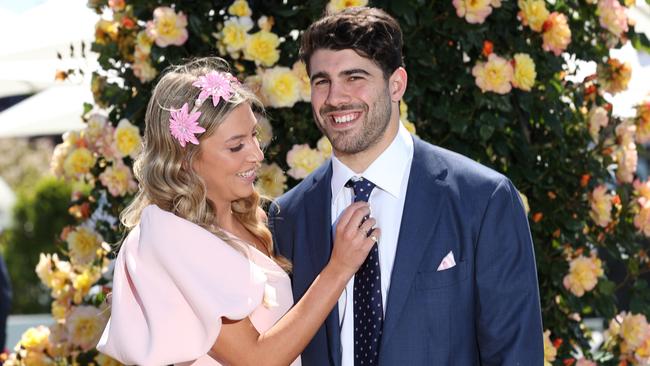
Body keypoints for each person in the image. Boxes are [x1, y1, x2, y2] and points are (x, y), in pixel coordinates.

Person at [268, 7, 545, 365]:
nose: (335, 98)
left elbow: (516, 355)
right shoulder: (287, 217)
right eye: (322, 81)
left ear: (396, 84)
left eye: (355, 77)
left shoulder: (482, 200)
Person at [97, 57, 381, 366]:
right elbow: (256, 360)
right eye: (236, 147)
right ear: (184, 158)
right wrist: (339, 269)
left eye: (254, 137)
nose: (257, 155)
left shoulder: (256, 220)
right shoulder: (168, 235)